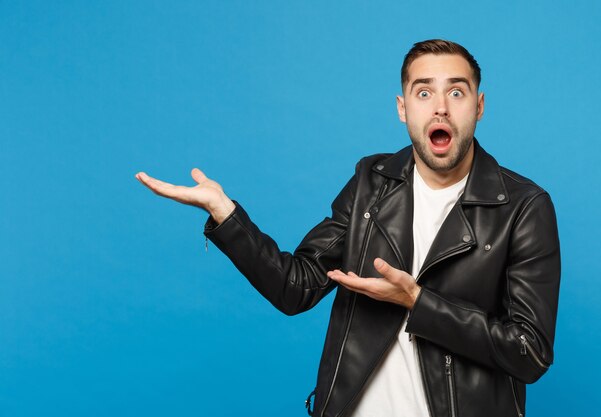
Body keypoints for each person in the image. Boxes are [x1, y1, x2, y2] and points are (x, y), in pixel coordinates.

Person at [136, 39, 560, 417]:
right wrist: (226, 214)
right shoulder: (371, 184)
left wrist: (417, 301)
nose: (441, 107)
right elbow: (295, 286)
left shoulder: (523, 207)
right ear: (402, 108)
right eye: (424, 91)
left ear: (479, 106)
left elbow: (530, 352)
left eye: (456, 91)